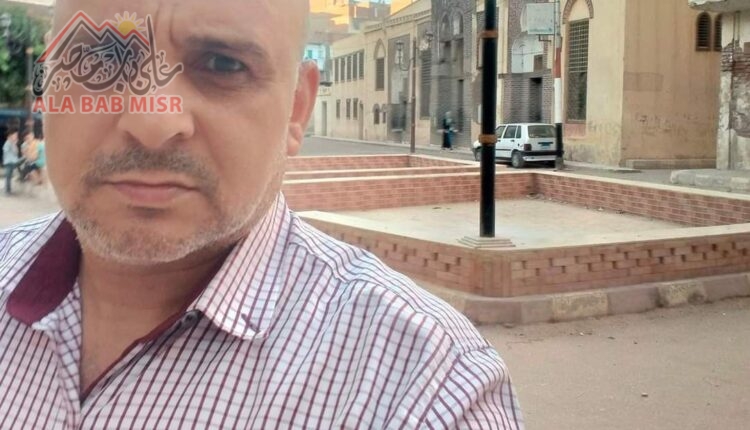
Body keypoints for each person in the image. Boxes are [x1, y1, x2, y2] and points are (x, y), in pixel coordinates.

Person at [0, 0, 524, 428]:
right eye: (100, 60)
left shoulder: (422, 389)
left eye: (222, 64)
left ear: (297, 109)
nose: (151, 120)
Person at [2, 129, 20, 195]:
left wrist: (14, 144)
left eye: (16, 135)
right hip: (8, 162)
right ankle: (7, 190)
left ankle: (8, 190)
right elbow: (6, 152)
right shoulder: (7, 143)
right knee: (8, 177)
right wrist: (12, 144)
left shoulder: (13, 143)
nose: (16, 137)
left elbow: (16, 152)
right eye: (15, 135)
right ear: (10, 136)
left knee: (9, 176)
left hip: (13, 162)